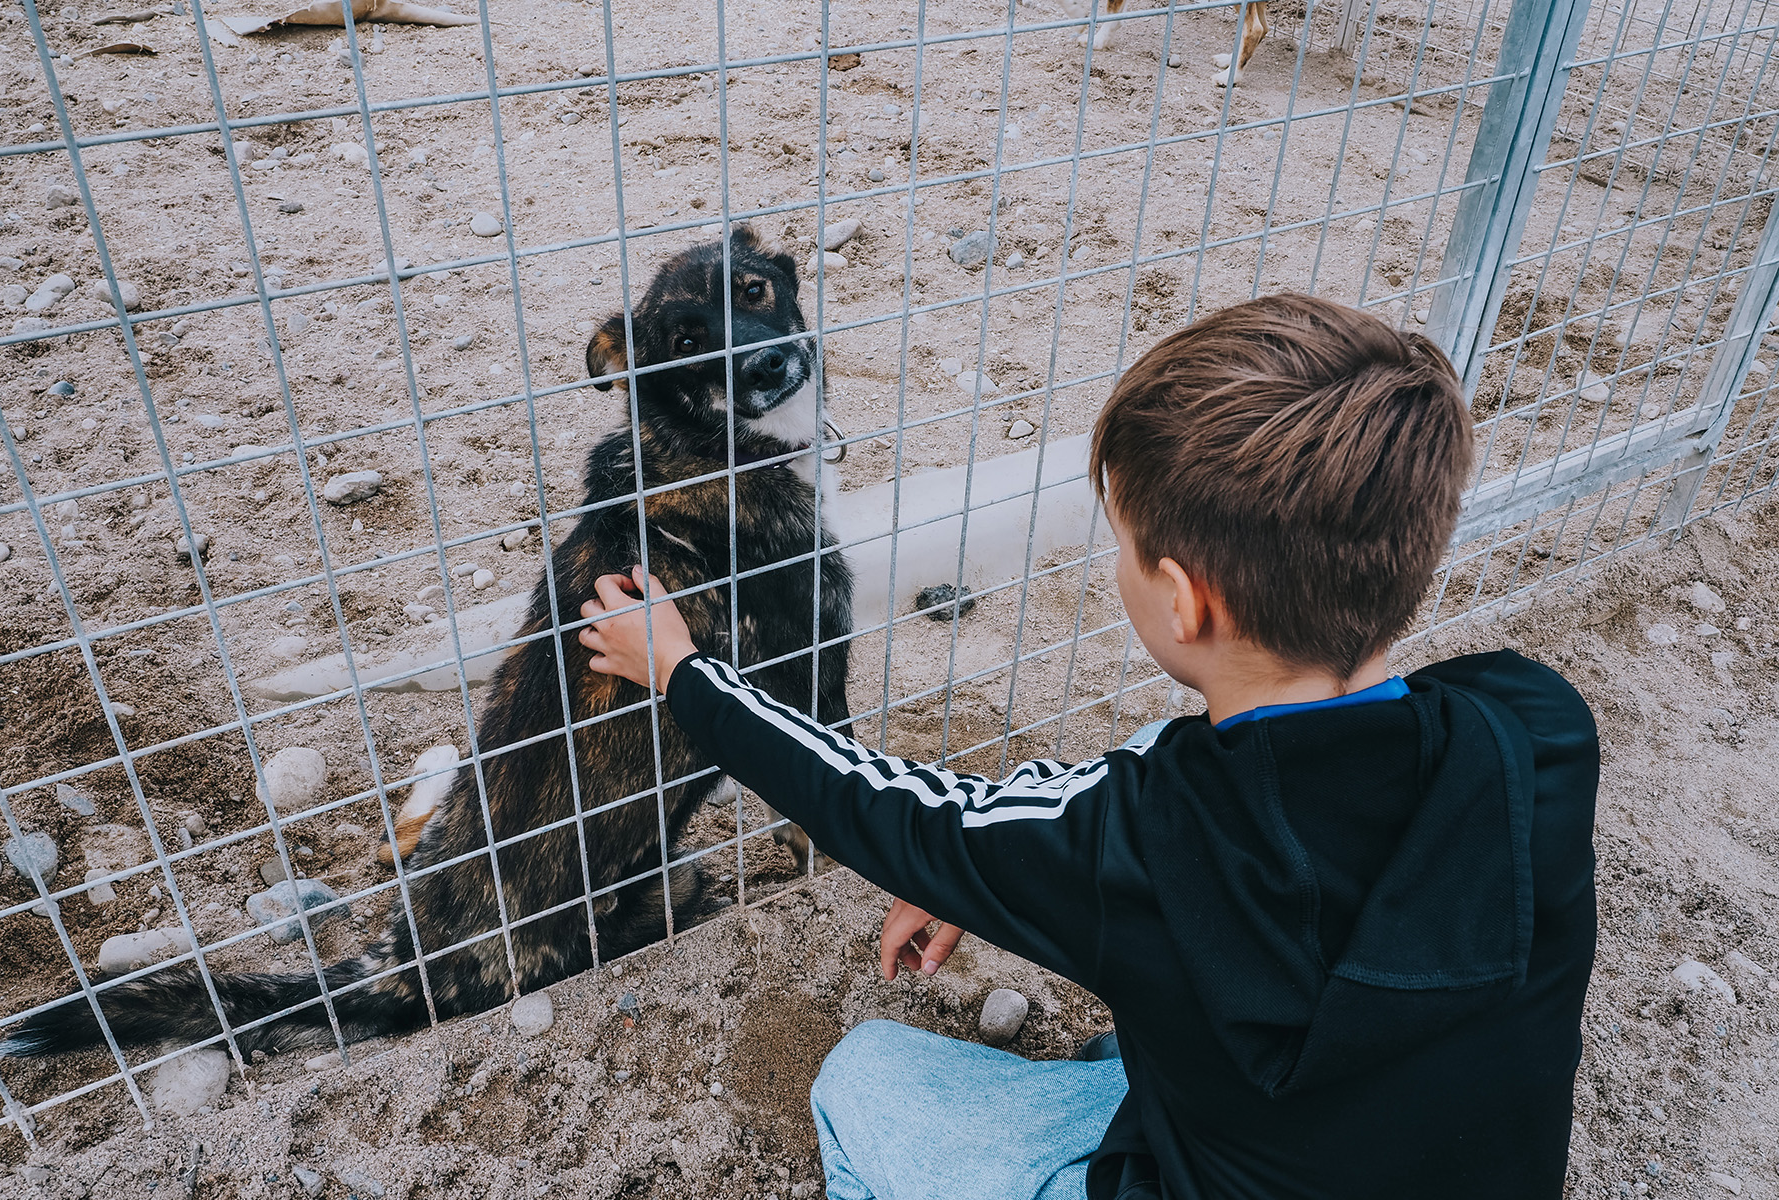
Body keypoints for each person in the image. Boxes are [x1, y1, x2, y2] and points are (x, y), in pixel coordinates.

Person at [577, 294, 1599, 1200]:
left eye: (1123, 545)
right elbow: (1243, 770)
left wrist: (682, 669)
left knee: (865, 1080)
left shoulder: (1145, 840)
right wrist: (990, 871)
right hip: (1405, 1153)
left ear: (1183, 601)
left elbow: (882, 806)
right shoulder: (1536, 726)